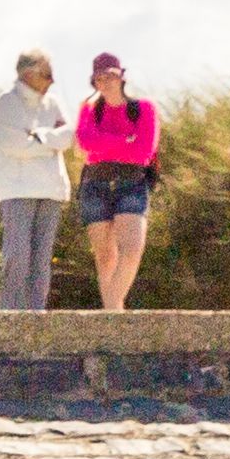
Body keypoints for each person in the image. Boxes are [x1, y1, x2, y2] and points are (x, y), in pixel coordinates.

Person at [70, 49, 162, 311]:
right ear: (94, 82)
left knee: (132, 249)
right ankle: (114, 315)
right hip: (95, 183)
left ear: (121, 76)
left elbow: (144, 151)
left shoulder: (143, 109)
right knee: (105, 255)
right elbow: (86, 142)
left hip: (131, 183)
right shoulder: (89, 111)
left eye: (110, 75)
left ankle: (109, 310)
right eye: (99, 78)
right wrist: (125, 142)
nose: (105, 82)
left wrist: (106, 145)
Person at [0, 49, 72, 314]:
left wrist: (37, 136)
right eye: (47, 75)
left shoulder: (53, 103)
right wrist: (49, 142)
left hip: (52, 190)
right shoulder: (7, 103)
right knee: (18, 255)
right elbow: (13, 145)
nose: (51, 81)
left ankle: (36, 315)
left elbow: (68, 136)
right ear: (27, 74)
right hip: (17, 190)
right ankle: (10, 314)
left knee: (41, 258)